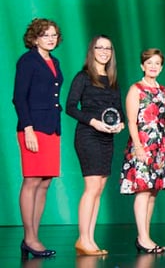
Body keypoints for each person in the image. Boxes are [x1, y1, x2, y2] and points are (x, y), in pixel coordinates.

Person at [66, 35, 125, 256]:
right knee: (91, 188)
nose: (104, 51)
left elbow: (119, 110)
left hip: (107, 137)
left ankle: (89, 239)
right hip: (88, 135)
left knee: (99, 189)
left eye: (108, 48)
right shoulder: (83, 77)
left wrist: (120, 125)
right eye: (99, 47)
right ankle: (83, 238)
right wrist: (93, 122)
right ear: (92, 51)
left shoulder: (113, 80)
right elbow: (70, 107)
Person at [120, 48, 165, 254]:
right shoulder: (135, 89)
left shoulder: (163, 90)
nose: (153, 66)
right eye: (149, 63)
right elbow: (131, 121)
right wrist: (138, 147)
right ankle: (143, 237)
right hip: (143, 142)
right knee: (143, 189)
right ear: (142, 66)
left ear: (161, 67)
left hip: (161, 144)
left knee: (153, 191)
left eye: (157, 63)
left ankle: (145, 236)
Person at [13, 18, 63, 259]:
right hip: (33, 128)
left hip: (52, 127)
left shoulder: (55, 61)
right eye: (45, 35)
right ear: (34, 38)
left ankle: (34, 236)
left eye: (54, 35)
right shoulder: (28, 61)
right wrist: (28, 128)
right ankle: (29, 237)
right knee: (32, 180)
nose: (51, 38)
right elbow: (19, 98)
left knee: (45, 182)